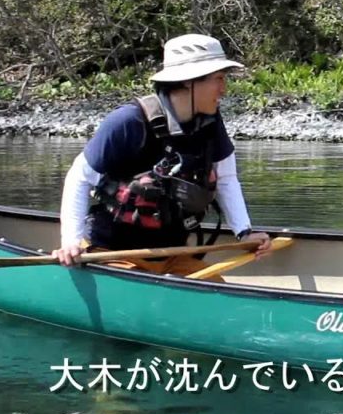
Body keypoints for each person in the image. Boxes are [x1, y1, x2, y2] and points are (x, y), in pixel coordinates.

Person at [54, 33, 273, 280]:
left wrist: (244, 233)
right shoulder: (127, 121)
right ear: (190, 81)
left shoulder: (210, 122)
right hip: (112, 253)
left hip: (171, 255)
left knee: (217, 287)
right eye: (219, 79)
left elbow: (226, 178)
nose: (223, 89)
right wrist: (70, 242)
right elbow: (78, 178)